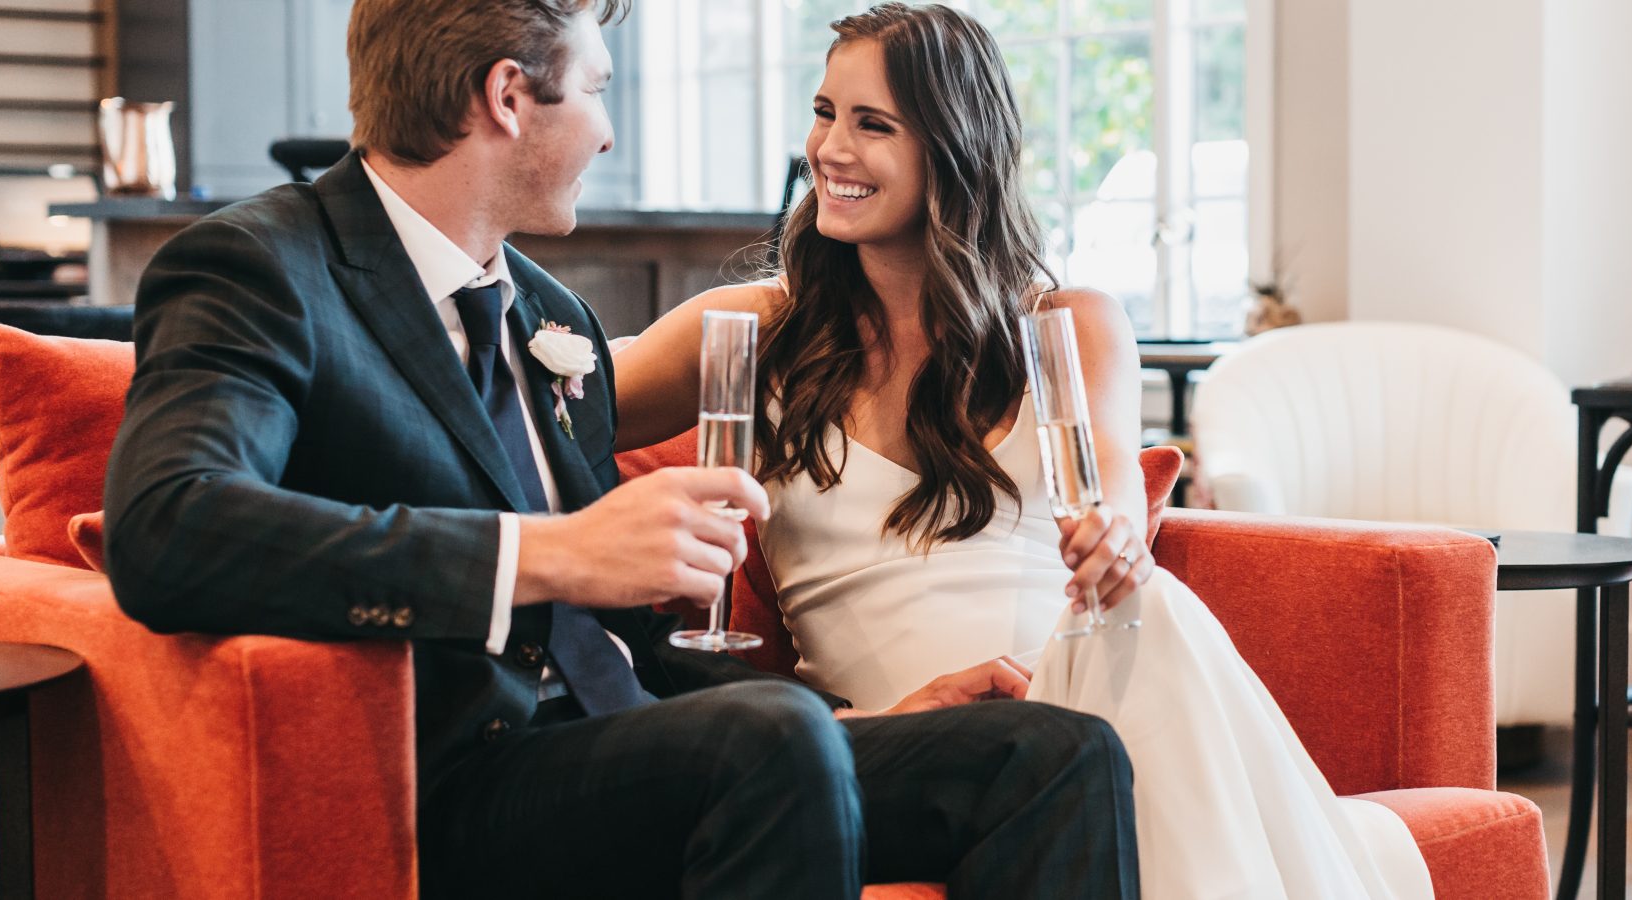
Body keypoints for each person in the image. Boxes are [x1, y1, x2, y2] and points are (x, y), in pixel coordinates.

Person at [100, 1, 1139, 897]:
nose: (607, 134)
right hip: (462, 772)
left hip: (643, 744)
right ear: (510, 96)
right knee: (769, 738)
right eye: (596, 89)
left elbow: (626, 655)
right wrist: (544, 554)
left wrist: (859, 721)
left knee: (1051, 754)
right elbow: (169, 525)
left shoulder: (547, 316)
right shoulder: (260, 268)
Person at [613, 4, 1434, 898]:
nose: (829, 149)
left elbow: (1110, 496)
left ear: (954, 147)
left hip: (1077, 682)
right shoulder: (754, 328)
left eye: (871, 124)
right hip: (908, 744)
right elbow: (552, 400)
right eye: (824, 112)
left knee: (1150, 611)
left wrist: (1115, 540)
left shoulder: (1070, 324)